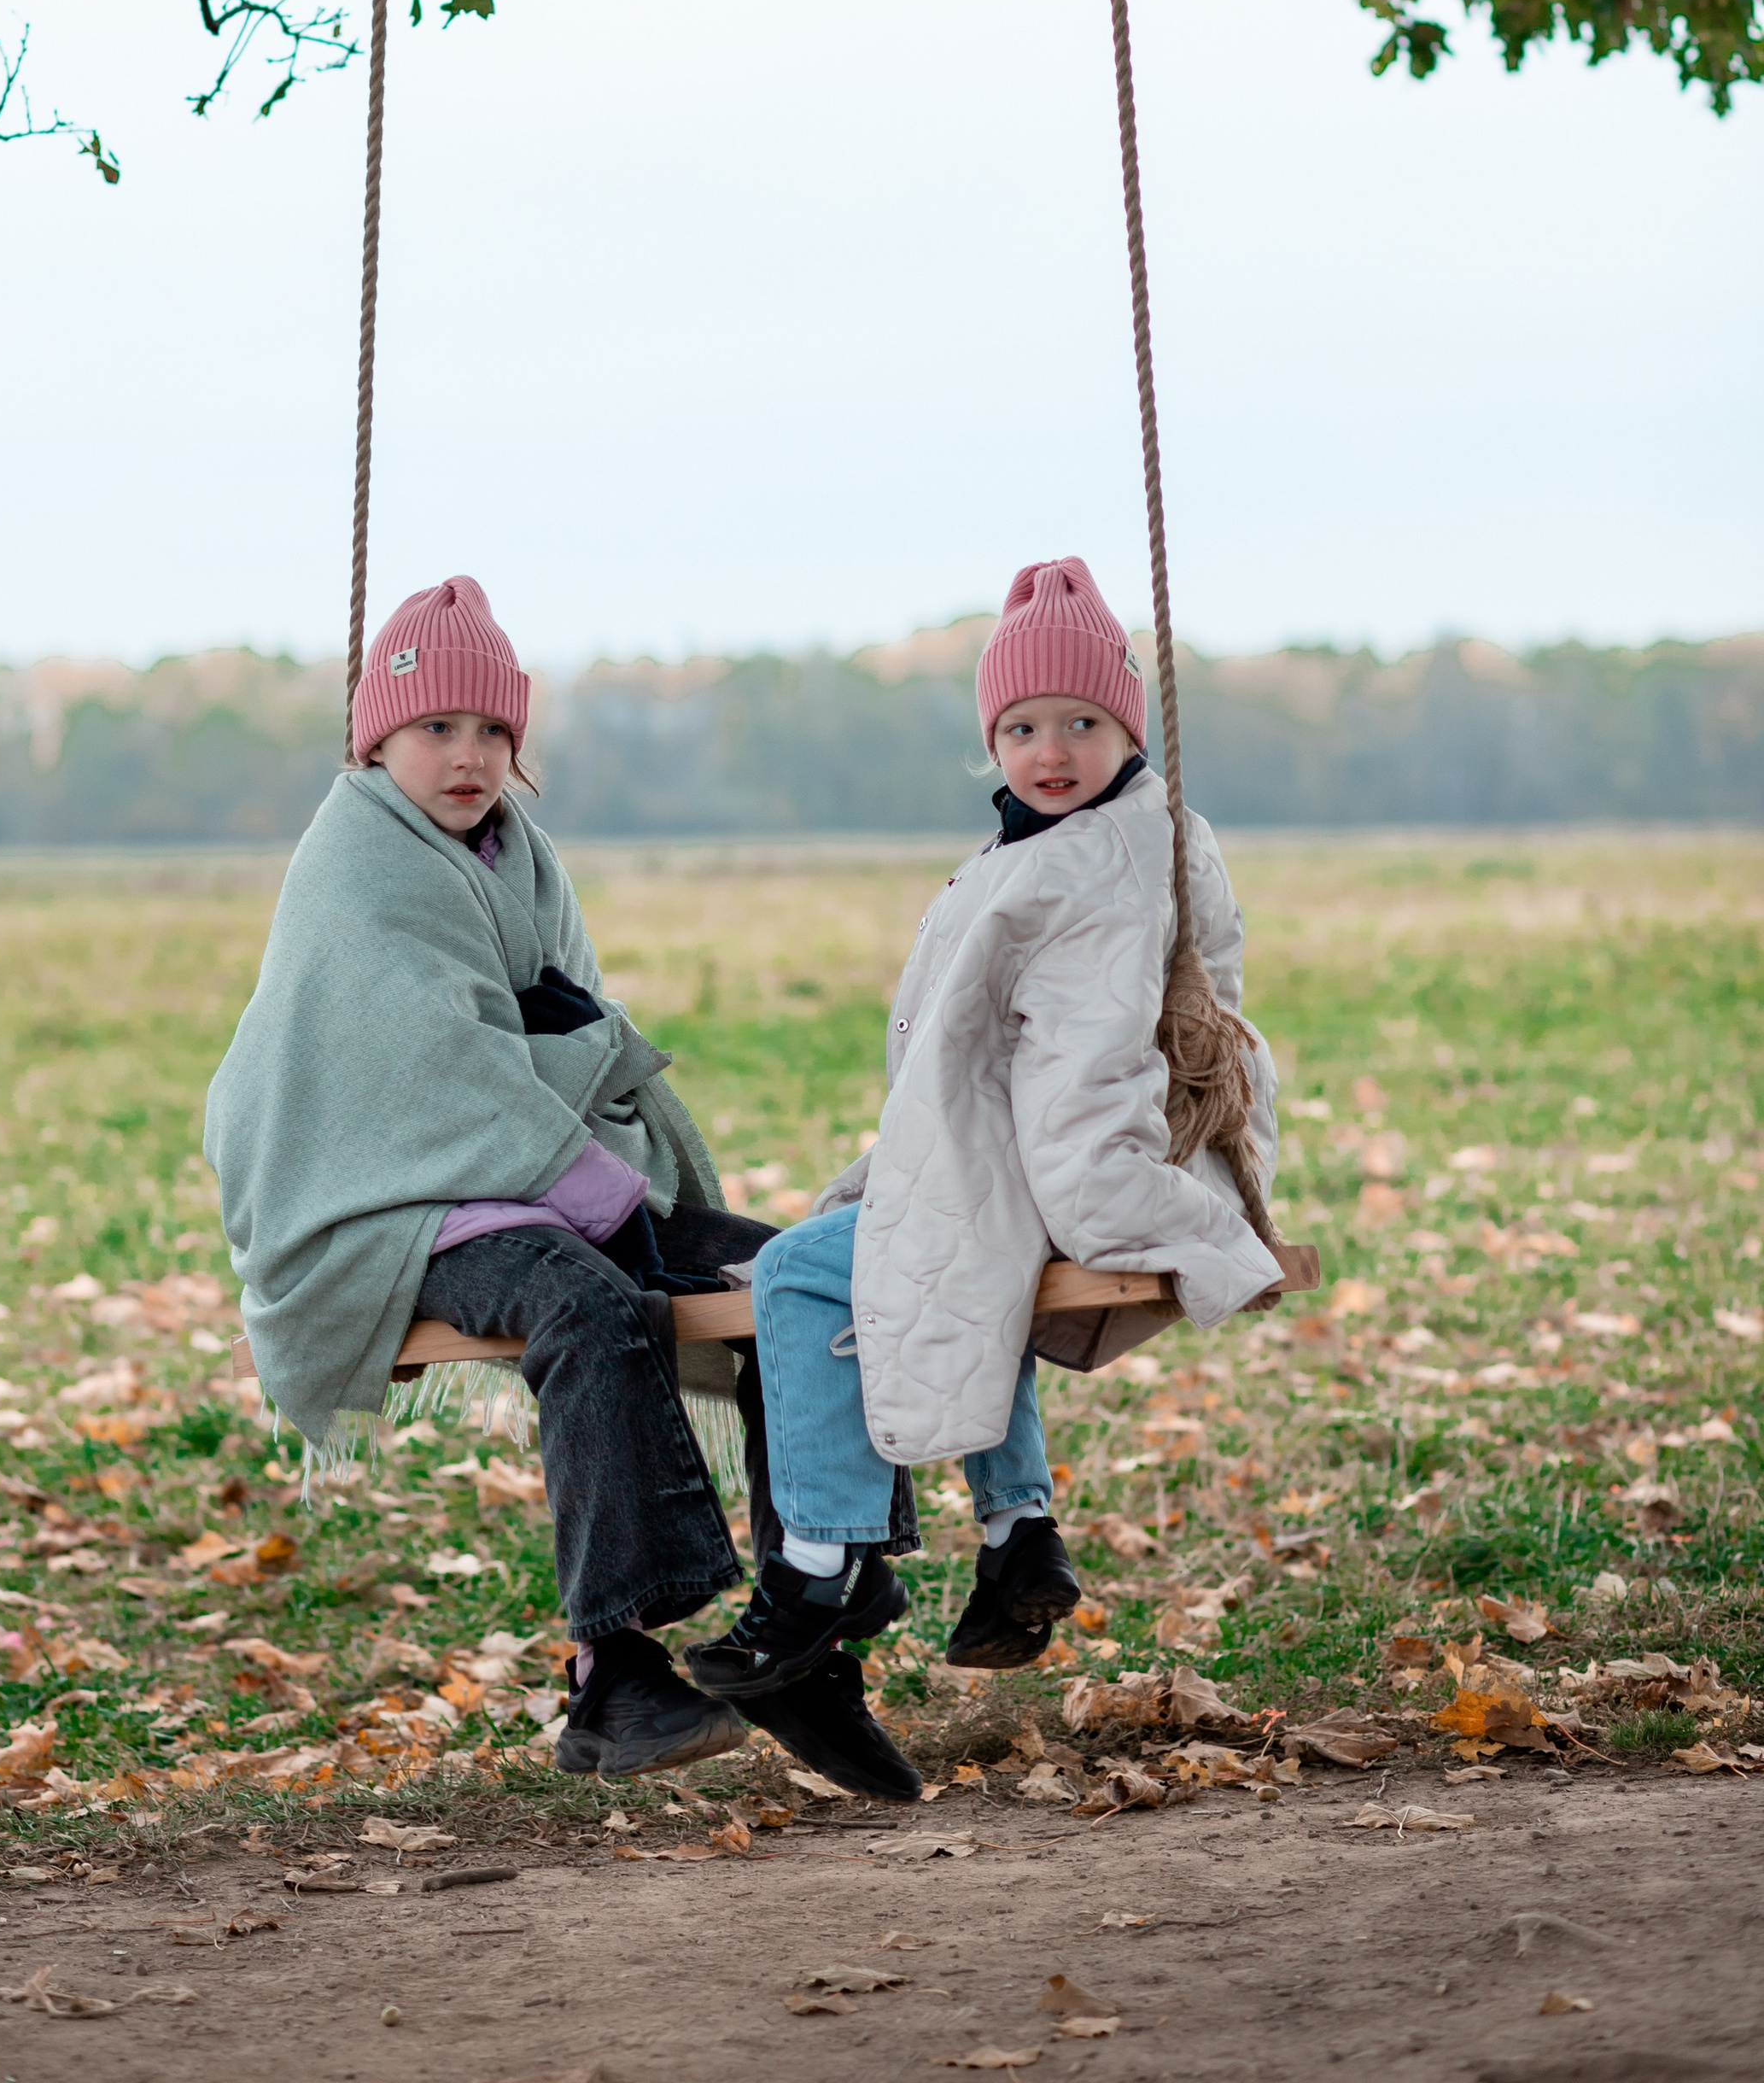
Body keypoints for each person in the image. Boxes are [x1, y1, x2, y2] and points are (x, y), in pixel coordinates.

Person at [205, 574, 918, 1797]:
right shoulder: (359, 861)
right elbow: (424, 1068)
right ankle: (615, 1672)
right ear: (377, 737)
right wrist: (584, 1174)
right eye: (437, 729)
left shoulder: (519, 857)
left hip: (537, 1174)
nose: (468, 755)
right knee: (589, 1304)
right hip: (392, 1207)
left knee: (802, 1277)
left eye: (492, 732)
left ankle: (814, 1606)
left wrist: (582, 1130)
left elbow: (566, 1031)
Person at [686, 557, 1283, 1704]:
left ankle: (825, 1565)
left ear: (1128, 727)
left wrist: (1149, 1220)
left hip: (1060, 1165)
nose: (1050, 749)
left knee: (804, 1275)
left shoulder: (1091, 865)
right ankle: (1018, 1533)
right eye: (1020, 725)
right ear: (991, 742)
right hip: (1017, 1153)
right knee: (914, 1241)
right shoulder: (1072, 843)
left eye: (1082, 721)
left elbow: (1095, 1067)